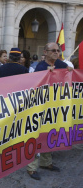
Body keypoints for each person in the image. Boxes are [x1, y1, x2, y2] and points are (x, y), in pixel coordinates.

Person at [27, 42, 71, 180]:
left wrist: (70, 70)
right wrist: (45, 74)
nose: (56, 53)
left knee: (50, 134)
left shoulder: (62, 65)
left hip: (54, 106)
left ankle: (46, 162)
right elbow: (33, 84)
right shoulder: (38, 66)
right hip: (40, 107)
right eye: (53, 50)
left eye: (58, 50)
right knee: (36, 136)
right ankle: (31, 168)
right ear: (45, 52)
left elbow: (69, 75)